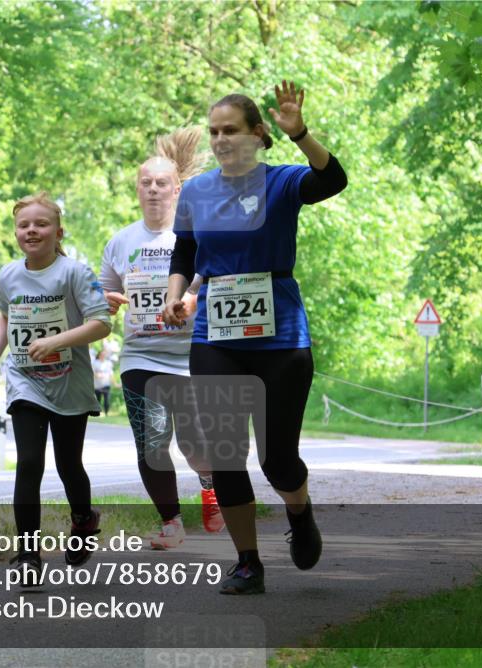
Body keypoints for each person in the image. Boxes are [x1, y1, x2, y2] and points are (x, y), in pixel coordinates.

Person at [163, 81, 348, 594]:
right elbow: (184, 252)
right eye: (214, 132)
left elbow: (333, 180)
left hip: (281, 337)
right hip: (216, 334)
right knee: (226, 452)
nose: (221, 139)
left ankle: (300, 509)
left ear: (257, 134)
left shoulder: (283, 181)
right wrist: (175, 294)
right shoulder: (196, 191)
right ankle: (248, 561)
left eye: (231, 131)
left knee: (278, 460)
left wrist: (302, 134)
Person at [0, 191, 112, 586]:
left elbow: (102, 323)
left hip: (68, 381)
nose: (32, 231)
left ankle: (84, 520)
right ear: (16, 232)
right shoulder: (7, 274)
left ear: (57, 232)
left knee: (69, 465)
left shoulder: (74, 272)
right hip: (25, 380)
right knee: (30, 462)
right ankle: (28, 555)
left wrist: (56, 342)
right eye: (24, 225)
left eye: (41, 224)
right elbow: (6, 318)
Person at [100, 128, 224, 550]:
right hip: (140, 356)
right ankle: (171, 522)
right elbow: (103, 294)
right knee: (152, 441)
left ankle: (210, 488)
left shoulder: (192, 235)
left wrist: (191, 297)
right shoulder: (120, 240)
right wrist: (109, 302)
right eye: (145, 182)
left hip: (191, 355)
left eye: (161, 183)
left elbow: (214, 278)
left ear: (177, 189)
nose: (153, 189)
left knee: (193, 443)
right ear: (137, 188)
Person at [91, 348, 114, 416]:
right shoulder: (95, 363)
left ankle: (106, 413)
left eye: (104, 354)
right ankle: (98, 413)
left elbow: (111, 374)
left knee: (107, 400)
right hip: (97, 385)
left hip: (106, 384)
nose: (103, 356)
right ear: (99, 355)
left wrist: (115, 383)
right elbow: (92, 372)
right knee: (98, 400)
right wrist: (96, 375)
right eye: (102, 354)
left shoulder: (108, 363)